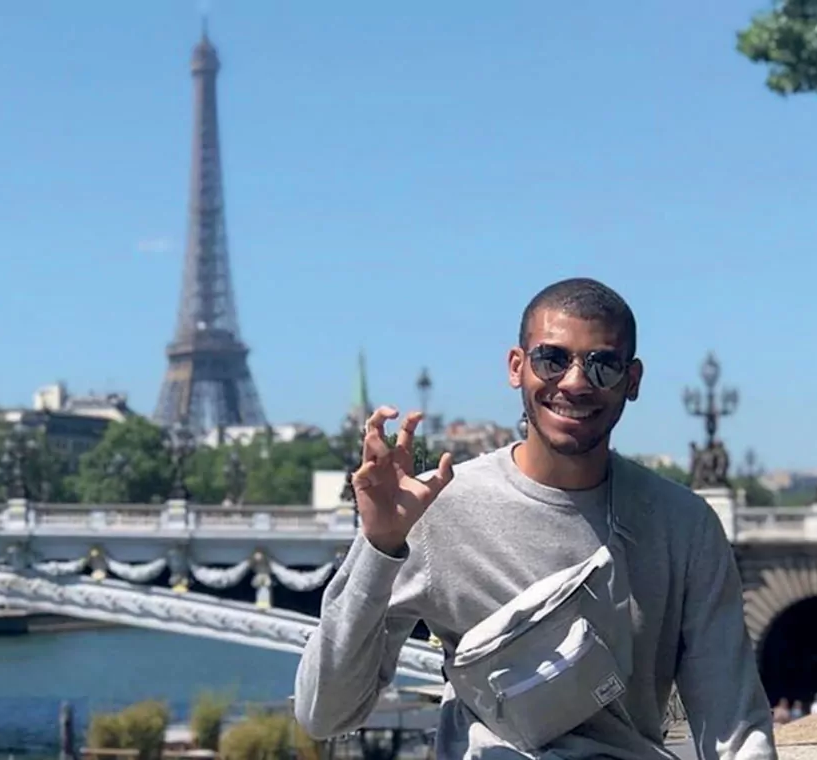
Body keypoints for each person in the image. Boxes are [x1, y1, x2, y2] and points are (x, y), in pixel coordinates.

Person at [294, 277, 776, 760]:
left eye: (603, 365)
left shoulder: (685, 527)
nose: (575, 383)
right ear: (516, 367)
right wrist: (379, 546)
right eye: (552, 359)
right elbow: (326, 714)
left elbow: (735, 729)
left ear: (632, 381)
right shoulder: (435, 511)